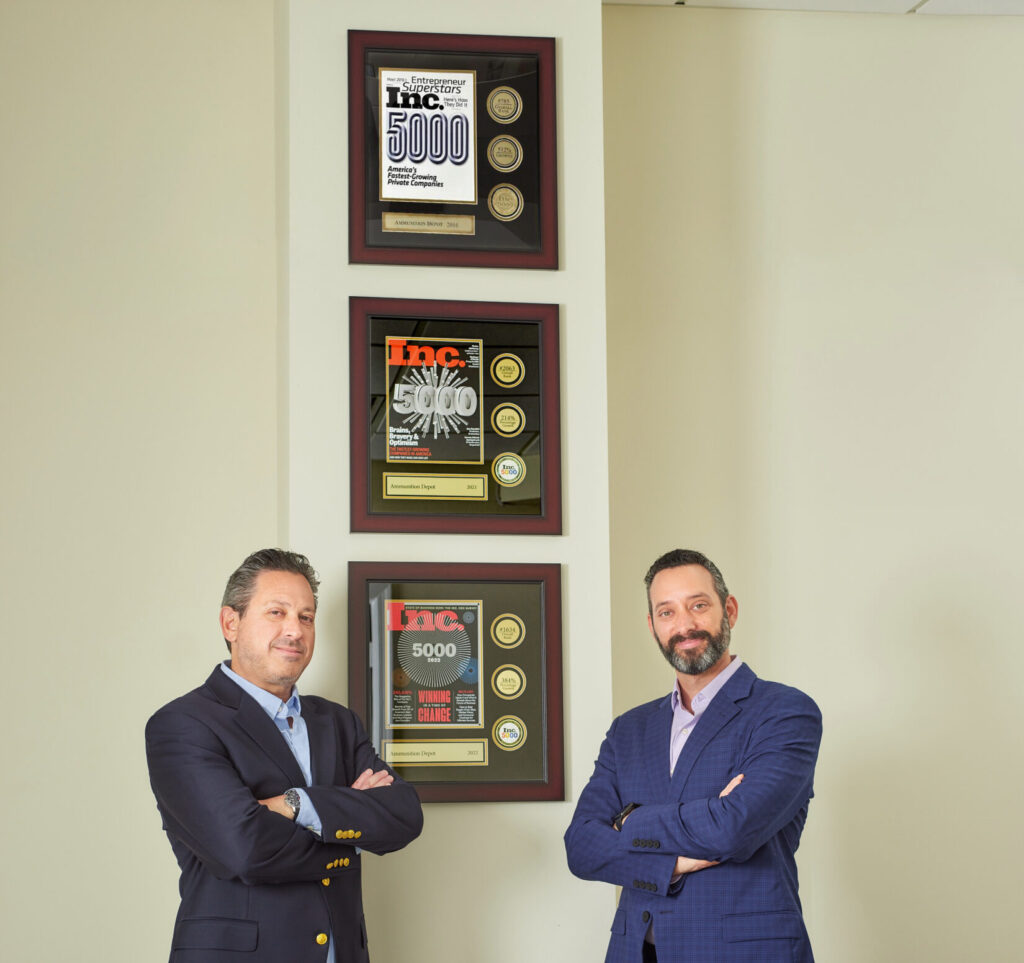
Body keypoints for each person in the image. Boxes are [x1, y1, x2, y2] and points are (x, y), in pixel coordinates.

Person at [146, 548, 423, 963]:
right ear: (231, 623)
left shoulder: (338, 722)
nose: (295, 630)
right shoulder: (183, 724)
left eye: (306, 617)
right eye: (277, 612)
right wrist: (349, 829)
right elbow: (243, 848)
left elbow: (404, 815)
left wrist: (294, 804)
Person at [564, 549, 821, 963]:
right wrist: (672, 864)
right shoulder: (628, 729)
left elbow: (734, 827)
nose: (684, 625)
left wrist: (628, 820)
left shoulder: (784, 712)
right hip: (635, 952)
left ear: (729, 610)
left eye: (698, 605)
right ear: (652, 626)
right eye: (666, 612)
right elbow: (581, 846)